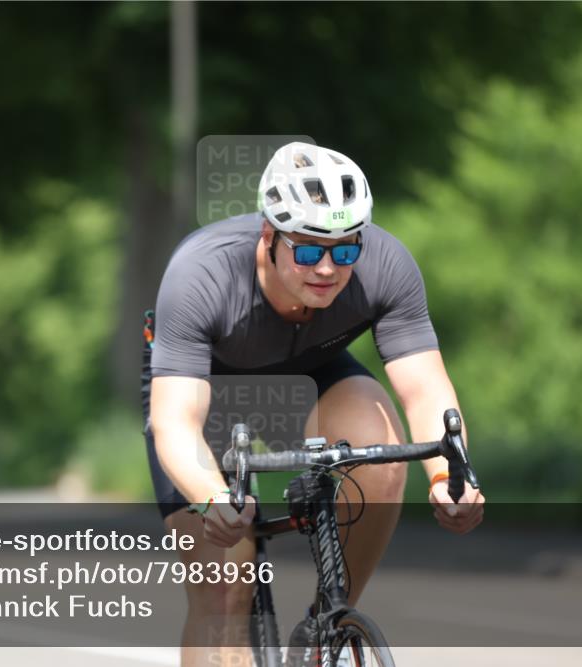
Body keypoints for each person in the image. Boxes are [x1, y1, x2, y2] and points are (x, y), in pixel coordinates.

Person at [141, 141, 486, 666]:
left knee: (382, 455)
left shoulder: (387, 265)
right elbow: (175, 422)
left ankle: (329, 627)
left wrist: (450, 477)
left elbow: (423, 388)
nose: (327, 268)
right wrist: (212, 498)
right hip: (204, 390)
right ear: (268, 236)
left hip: (310, 376)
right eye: (307, 250)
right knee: (224, 587)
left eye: (345, 249)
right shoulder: (201, 275)